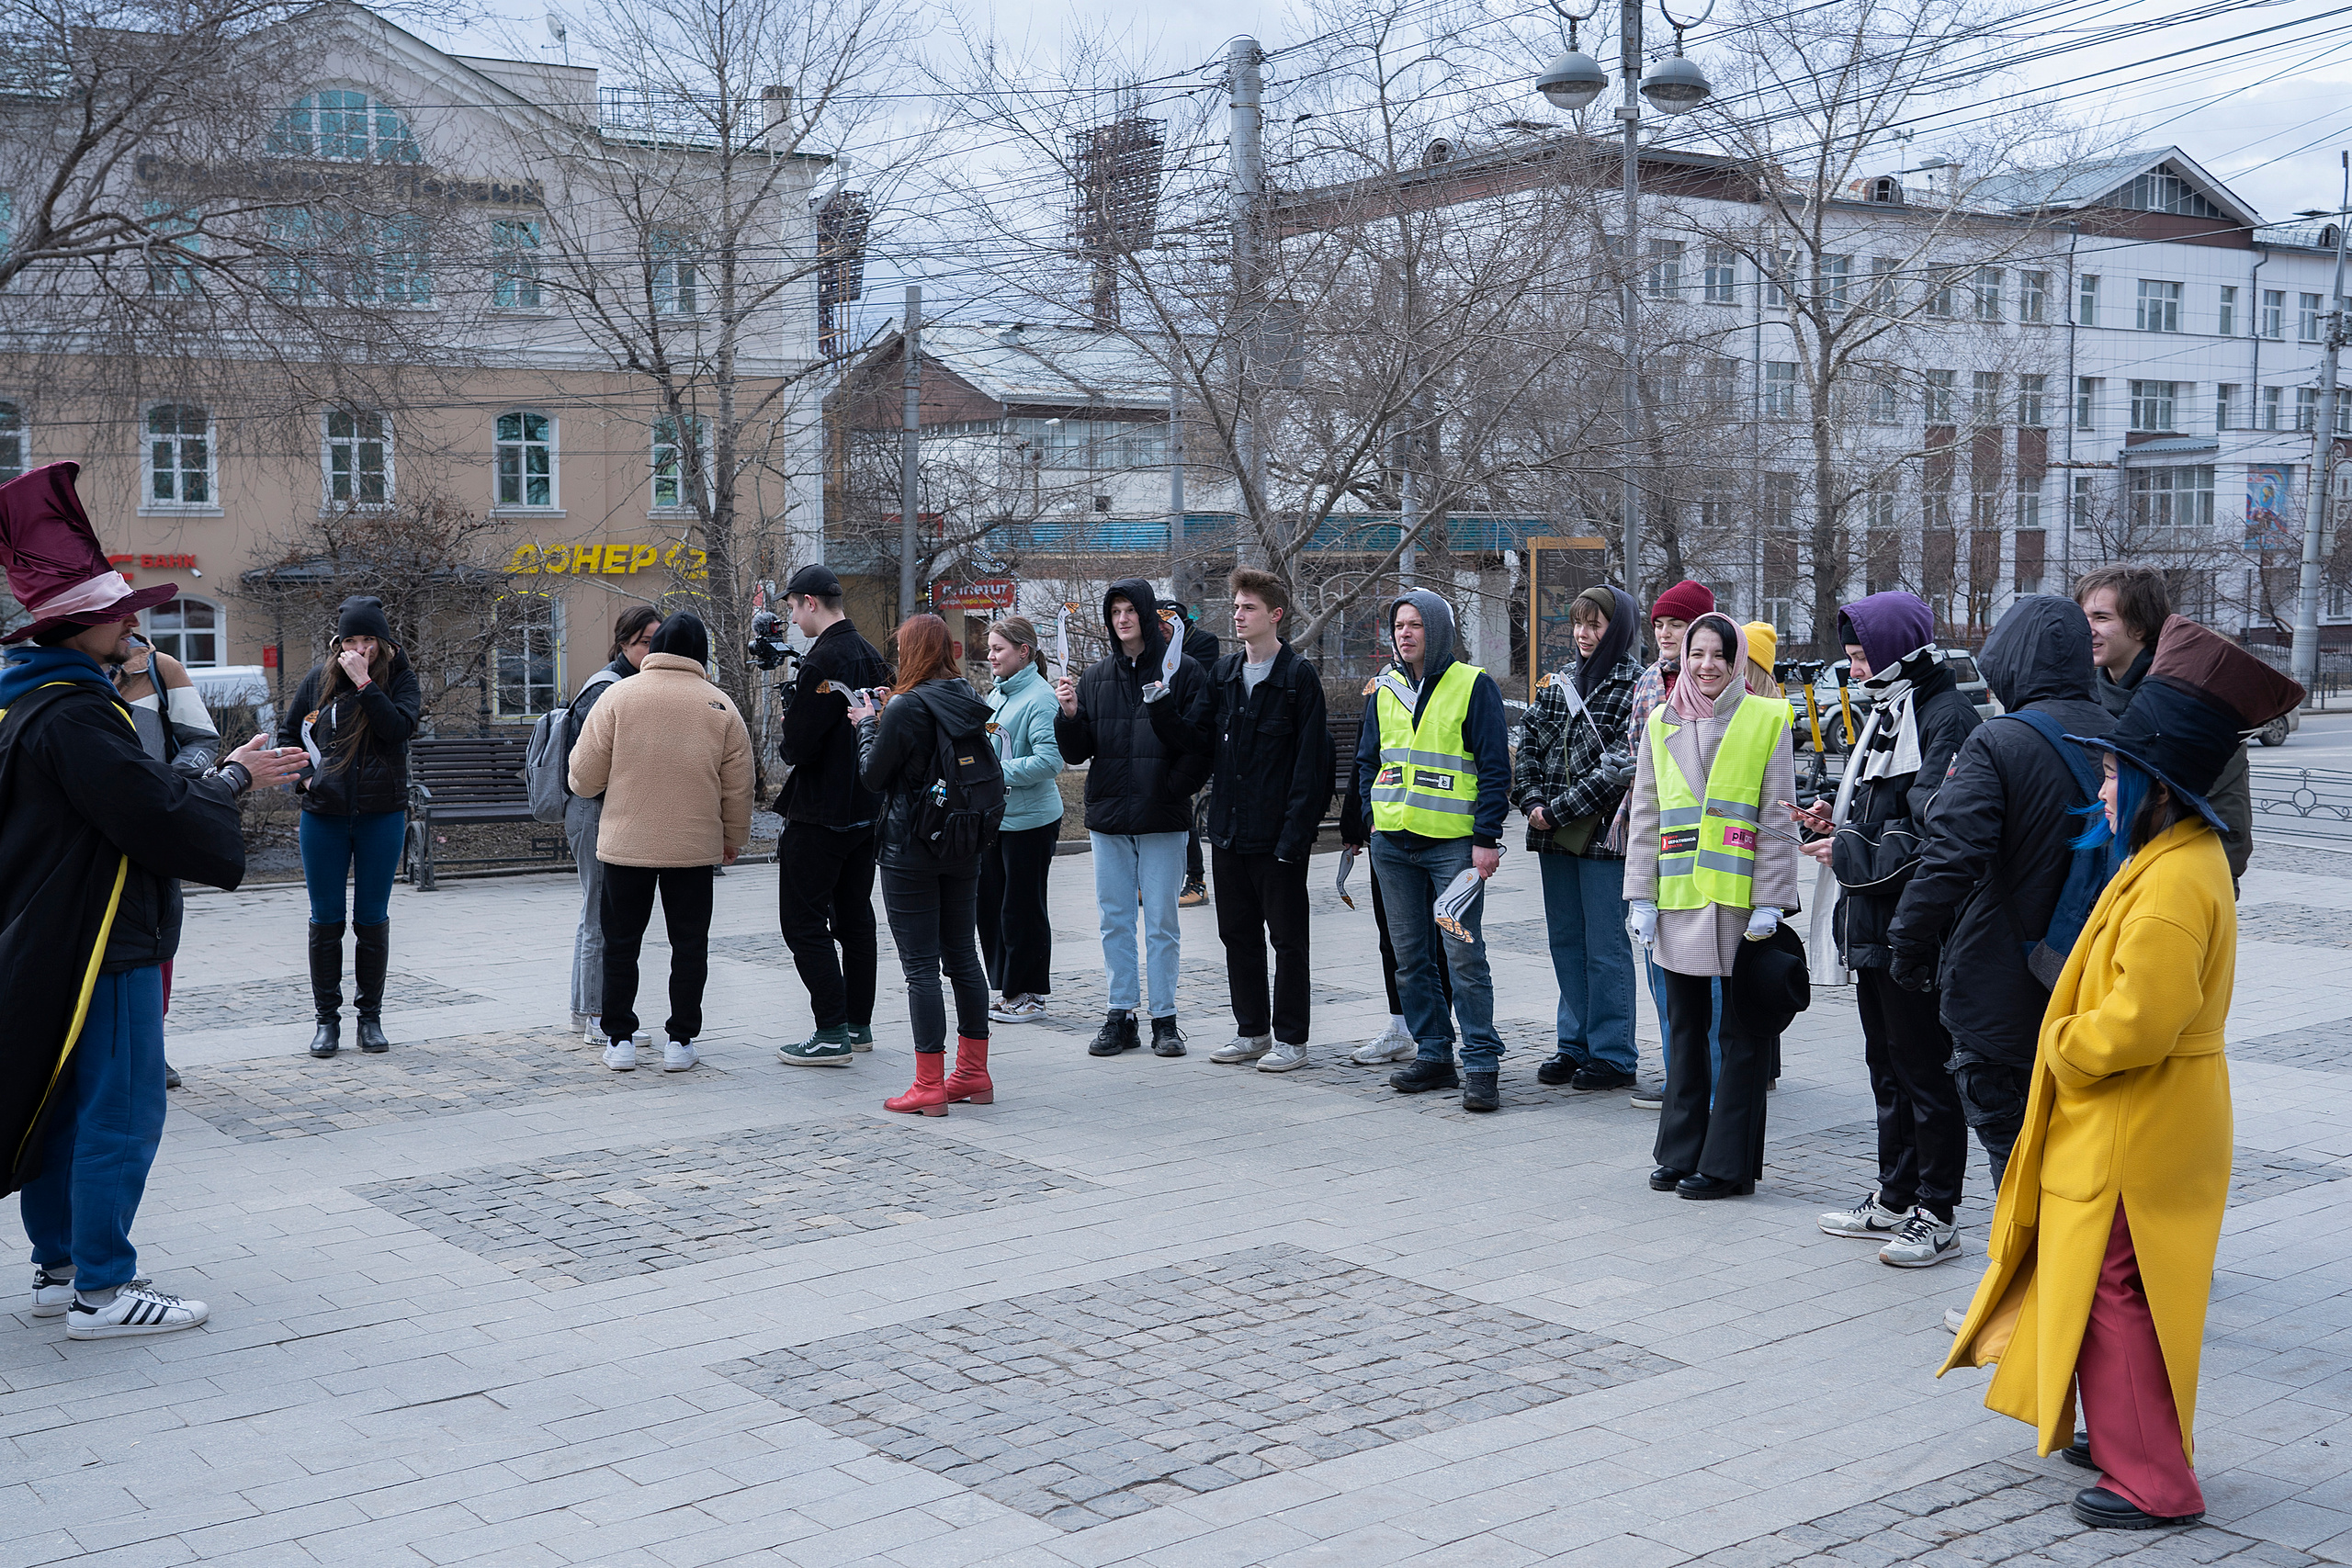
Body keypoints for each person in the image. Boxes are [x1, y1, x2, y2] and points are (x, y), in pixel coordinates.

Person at [1943, 616, 2301, 1532]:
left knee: (2115, 1291)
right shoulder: (2173, 858)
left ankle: (2155, 1479)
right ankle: (2124, 1447)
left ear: (2153, 782)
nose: (2100, 781)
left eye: (2111, 769)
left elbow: (2142, 1018)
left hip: (2135, 1127)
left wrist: (2064, 1045)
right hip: (2140, 1123)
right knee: (2114, 1291)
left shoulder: (2176, 878)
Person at [1, 460, 301, 1338]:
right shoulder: (73, 714)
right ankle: (103, 1287)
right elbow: (152, 813)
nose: (135, 624)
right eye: (121, 613)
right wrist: (235, 775)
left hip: (57, 931)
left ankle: (62, 1268)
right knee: (120, 1108)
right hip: (106, 934)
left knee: (64, 1099)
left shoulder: (31, 705)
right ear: (83, 625)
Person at [1888, 597, 2116, 1202]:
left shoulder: (2002, 741)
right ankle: (2083, 1284)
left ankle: (2024, 1293)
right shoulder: (2124, 737)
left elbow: (1949, 856)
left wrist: (1908, 943)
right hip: (2097, 987)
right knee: (2084, 1154)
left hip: (2003, 989)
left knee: (2017, 1160)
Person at [1792, 592, 1981, 1267]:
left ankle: (1939, 1210)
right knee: (1888, 1066)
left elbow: (1936, 831)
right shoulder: (1889, 707)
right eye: (1849, 655)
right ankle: (1897, 1195)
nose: (1856, 666)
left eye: (1865, 653)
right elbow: (1881, 810)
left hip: (1916, 925)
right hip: (1876, 920)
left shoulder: (1942, 714)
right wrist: (1831, 821)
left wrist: (1845, 846)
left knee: (1925, 1070)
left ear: (1901, 647)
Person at [1624, 614, 1798, 1196]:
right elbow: (1646, 813)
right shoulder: (1661, 720)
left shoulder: (1768, 716)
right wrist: (1640, 897)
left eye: (1719, 655)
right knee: (1683, 1028)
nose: (1706, 665)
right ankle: (1681, 1149)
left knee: (1741, 1036)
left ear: (1738, 660)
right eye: (1697, 653)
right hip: (1677, 901)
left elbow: (1778, 816)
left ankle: (1727, 1165)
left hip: (1740, 902)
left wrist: (1772, 901)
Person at [1153, 569, 1329, 1073]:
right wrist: (1161, 705)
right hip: (1228, 834)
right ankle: (1251, 1031)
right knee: (1238, 936)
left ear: (1274, 615)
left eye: (1248, 607)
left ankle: (1292, 1040)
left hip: (1278, 840)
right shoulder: (1225, 673)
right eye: (1235, 606)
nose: (1237, 614)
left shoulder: (1298, 678)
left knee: (1288, 941)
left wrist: (1296, 837)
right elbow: (1197, 740)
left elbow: (1311, 768)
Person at [567, 613, 751, 1074]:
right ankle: (680, 1040)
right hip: (693, 847)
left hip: (624, 844)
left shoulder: (618, 697)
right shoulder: (721, 707)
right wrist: (733, 839)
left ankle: (620, 1039)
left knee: (621, 942)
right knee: (689, 945)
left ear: (656, 649)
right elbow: (739, 788)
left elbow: (583, 778)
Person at [1356, 590, 1513, 1112]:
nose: (1405, 633)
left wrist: (1486, 839)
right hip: (1394, 846)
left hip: (1453, 848)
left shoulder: (1474, 685)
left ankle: (1483, 1062)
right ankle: (1433, 1053)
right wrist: (1371, 819)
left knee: (1463, 956)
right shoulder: (1386, 691)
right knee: (1409, 959)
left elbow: (1495, 768)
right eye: (1399, 624)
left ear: (1439, 630)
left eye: (1416, 624)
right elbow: (1368, 762)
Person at [1055, 579, 1212, 1059]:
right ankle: (1119, 1015)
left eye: (1130, 610)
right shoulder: (1096, 676)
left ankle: (1165, 1018)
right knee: (1114, 920)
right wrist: (1068, 715)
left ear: (1147, 614)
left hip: (1161, 817)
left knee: (1162, 921)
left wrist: (1170, 789)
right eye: (1115, 611)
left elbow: (1198, 746)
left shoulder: (1181, 672)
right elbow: (1080, 751)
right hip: (1109, 819)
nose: (1123, 619)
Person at [848, 615, 997, 1114]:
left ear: (911, 652)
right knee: (962, 956)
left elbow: (873, 776)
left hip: (910, 849)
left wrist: (867, 725)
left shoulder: (905, 706)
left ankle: (929, 1083)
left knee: (920, 968)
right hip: (962, 841)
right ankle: (973, 1074)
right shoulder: (967, 698)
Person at [277, 594, 423, 1060]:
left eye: (368, 641)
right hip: (324, 816)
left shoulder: (400, 679)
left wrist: (365, 685)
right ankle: (326, 1020)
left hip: (381, 815)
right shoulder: (319, 681)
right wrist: (301, 780)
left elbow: (398, 729)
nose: (359, 650)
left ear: (382, 642)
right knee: (326, 920)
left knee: (371, 919)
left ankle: (370, 1018)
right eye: (350, 641)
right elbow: (287, 734)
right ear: (338, 642)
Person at [1512, 585, 1643, 1091]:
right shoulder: (1559, 680)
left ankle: (1613, 1054)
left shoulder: (1635, 682)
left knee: (1605, 945)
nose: (1584, 634)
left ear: (1619, 628)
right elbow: (1528, 742)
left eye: (1596, 624)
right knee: (1565, 940)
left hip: (1603, 835)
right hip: (1551, 833)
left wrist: (1557, 810)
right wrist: (1531, 803)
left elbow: (1619, 766)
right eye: (1579, 623)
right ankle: (1574, 1044)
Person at [774, 564, 891, 1067]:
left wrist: (790, 719)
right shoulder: (872, 655)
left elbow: (796, 747)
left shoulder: (822, 660)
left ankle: (829, 1031)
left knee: (802, 921)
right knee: (855, 917)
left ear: (810, 602)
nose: (793, 618)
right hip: (866, 808)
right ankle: (857, 1025)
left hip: (820, 813)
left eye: (793, 607)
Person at [2075, 565, 2253, 886]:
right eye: (2083, 617)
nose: (2086, 629)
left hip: (2169, 890)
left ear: (2140, 626)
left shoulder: (2190, 702)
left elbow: (2228, 820)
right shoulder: (2082, 695)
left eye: (2101, 618)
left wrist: (2184, 894)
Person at [1621, 580, 1721, 1111]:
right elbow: (1640, 766)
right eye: (1659, 624)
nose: (1664, 633)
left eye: (1677, 624)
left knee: (1707, 977)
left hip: (1707, 856)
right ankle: (1677, 1073)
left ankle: (1712, 1078)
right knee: (1661, 971)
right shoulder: (1645, 685)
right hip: (1657, 843)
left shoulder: (1718, 685)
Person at [111, 633, 220, 1092]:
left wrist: (164, 787)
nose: (128, 621)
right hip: (81, 829)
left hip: (150, 831)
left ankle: (150, 1045)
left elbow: (202, 740)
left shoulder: (160, 667)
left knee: (155, 935)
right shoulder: (59, 674)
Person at [564, 605, 660, 1044]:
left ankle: (590, 1013)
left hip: (606, 809)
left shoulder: (633, 684)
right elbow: (589, 766)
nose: (651, 649)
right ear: (623, 643)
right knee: (600, 913)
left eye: (657, 641)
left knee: (602, 911)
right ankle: (597, 1018)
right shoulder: (607, 688)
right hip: (593, 810)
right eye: (643, 642)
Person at [979, 615, 1064, 1024]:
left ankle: (1030, 997)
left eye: (998, 649)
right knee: (992, 907)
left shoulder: (1040, 697)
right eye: (990, 648)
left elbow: (1050, 761)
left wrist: (993, 772)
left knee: (1022, 910)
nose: (990, 656)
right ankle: (1008, 989)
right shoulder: (999, 694)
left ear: (1024, 652)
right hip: (998, 819)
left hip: (1031, 822)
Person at [1340, 762, 1450, 1063]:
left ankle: (1441, 1037)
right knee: (1394, 938)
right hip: (1388, 831)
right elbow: (1365, 761)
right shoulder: (1378, 711)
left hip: (1445, 828)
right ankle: (1402, 1028)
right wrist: (1359, 824)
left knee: (1447, 939)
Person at [1163, 597, 1221, 908]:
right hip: (1166, 733)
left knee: (1182, 806)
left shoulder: (1203, 644)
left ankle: (1196, 879)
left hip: (1194, 737)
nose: (1161, 632)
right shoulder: (1154, 646)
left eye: (1168, 626)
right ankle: (1165, 880)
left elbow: (1191, 679)